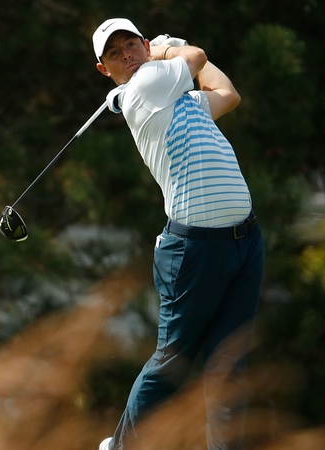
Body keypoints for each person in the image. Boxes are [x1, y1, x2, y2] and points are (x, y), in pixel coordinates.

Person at [92, 18, 265, 450]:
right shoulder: (145, 87)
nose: (127, 56)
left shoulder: (179, 100)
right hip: (195, 250)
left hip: (245, 242)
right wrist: (171, 48)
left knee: (229, 365)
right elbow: (199, 59)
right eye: (115, 53)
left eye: (132, 45)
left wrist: (173, 48)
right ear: (104, 69)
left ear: (142, 44)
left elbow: (227, 94)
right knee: (172, 362)